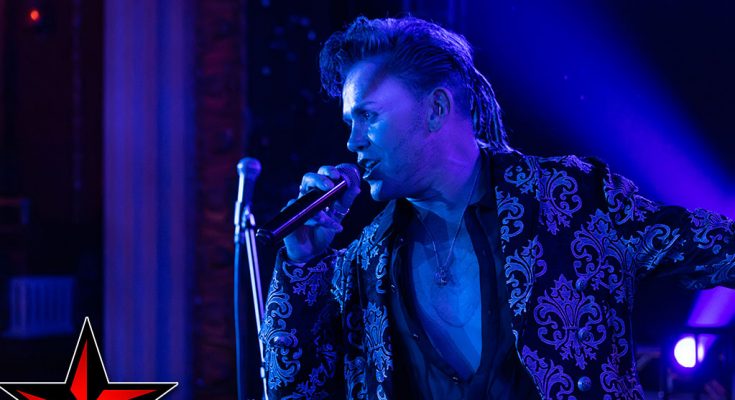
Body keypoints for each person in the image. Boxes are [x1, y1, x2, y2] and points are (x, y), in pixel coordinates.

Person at [258, 16, 735, 399]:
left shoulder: (571, 202)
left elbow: (718, 247)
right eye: (349, 122)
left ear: (436, 109)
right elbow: (291, 390)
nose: (353, 141)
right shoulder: (363, 264)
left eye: (368, 116)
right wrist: (303, 265)